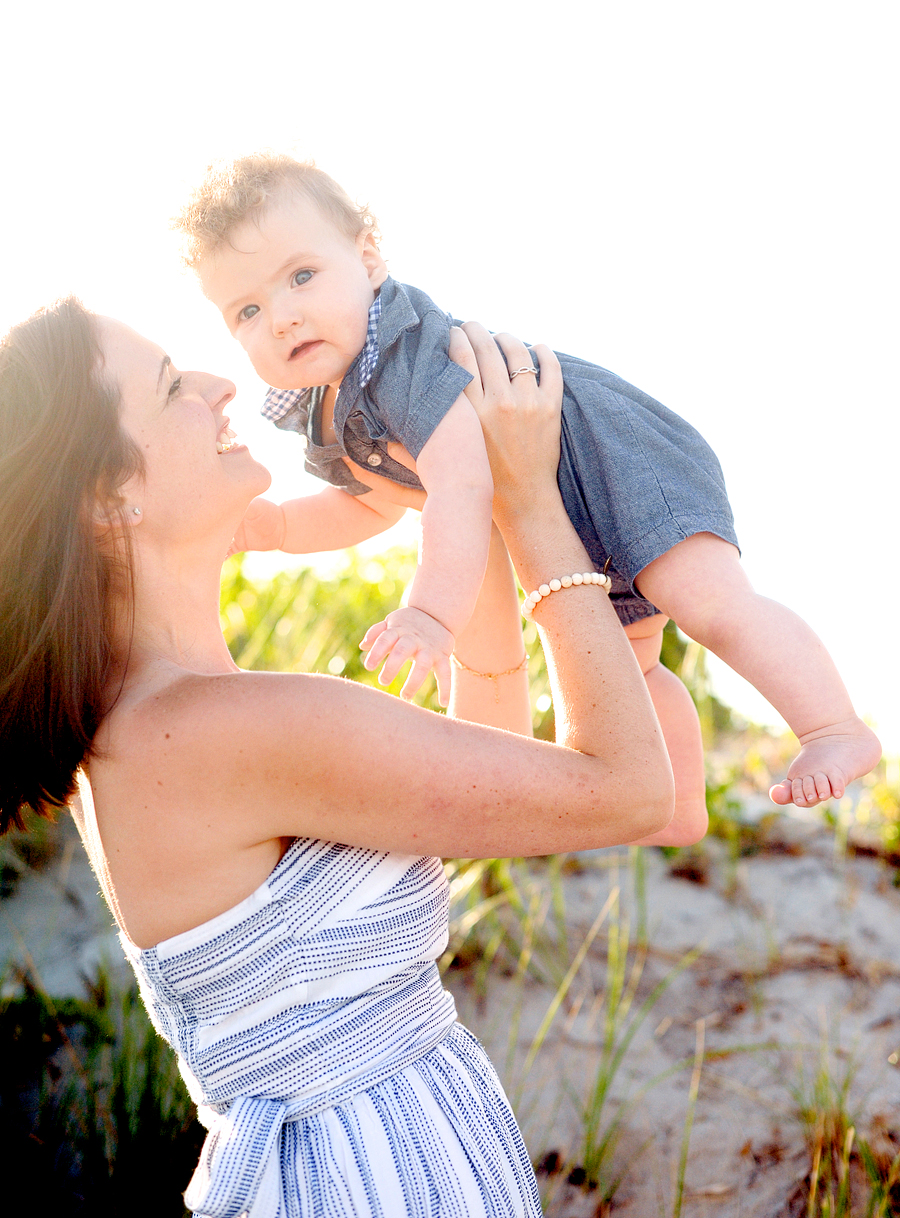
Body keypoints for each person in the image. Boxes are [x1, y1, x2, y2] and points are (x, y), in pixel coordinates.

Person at [0, 297, 683, 1218]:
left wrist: (466, 513)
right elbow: (627, 791)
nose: (220, 383)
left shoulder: (150, 730)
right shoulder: (223, 729)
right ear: (105, 497)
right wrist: (530, 508)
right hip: (376, 1183)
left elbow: (492, 771)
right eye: (169, 389)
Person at [175, 153, 880, 822]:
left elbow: (458, 486)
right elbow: (376, 502)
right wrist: (275, 528)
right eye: (247, 311)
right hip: (566, 512)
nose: (283, 316)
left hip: (620, 458)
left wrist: (429, 616)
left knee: (711, 604)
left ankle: (833, 725)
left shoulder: (403, 355)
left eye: (301, 276)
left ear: (367, 259)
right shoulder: (331, 407)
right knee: (626, 671)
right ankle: (674, 803)